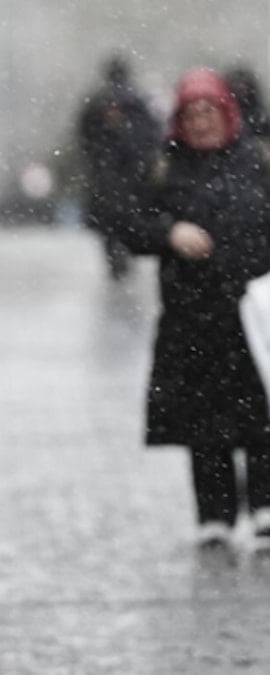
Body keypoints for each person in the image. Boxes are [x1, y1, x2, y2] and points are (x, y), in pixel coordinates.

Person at [121, 68, 270, 550]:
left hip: (255, 314)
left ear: (228, 113)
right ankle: (215, 515)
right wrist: (169, 234)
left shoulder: (258, 161)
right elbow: (130, 222)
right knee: (205, 421)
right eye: (192, 113)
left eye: (210, 111)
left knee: (261, 410)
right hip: (192, 317)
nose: (202, 122)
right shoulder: (165, 167)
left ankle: (266, 505)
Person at [76, 56, 162, 281]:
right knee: (128, 214)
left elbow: (84, 135)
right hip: (132, 173)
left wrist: (96, 157)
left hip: (106, 172)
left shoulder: (97, 101)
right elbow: (152, 133)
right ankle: (124, 250)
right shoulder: (138, 100)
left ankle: (115, 253)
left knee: (108, 219)